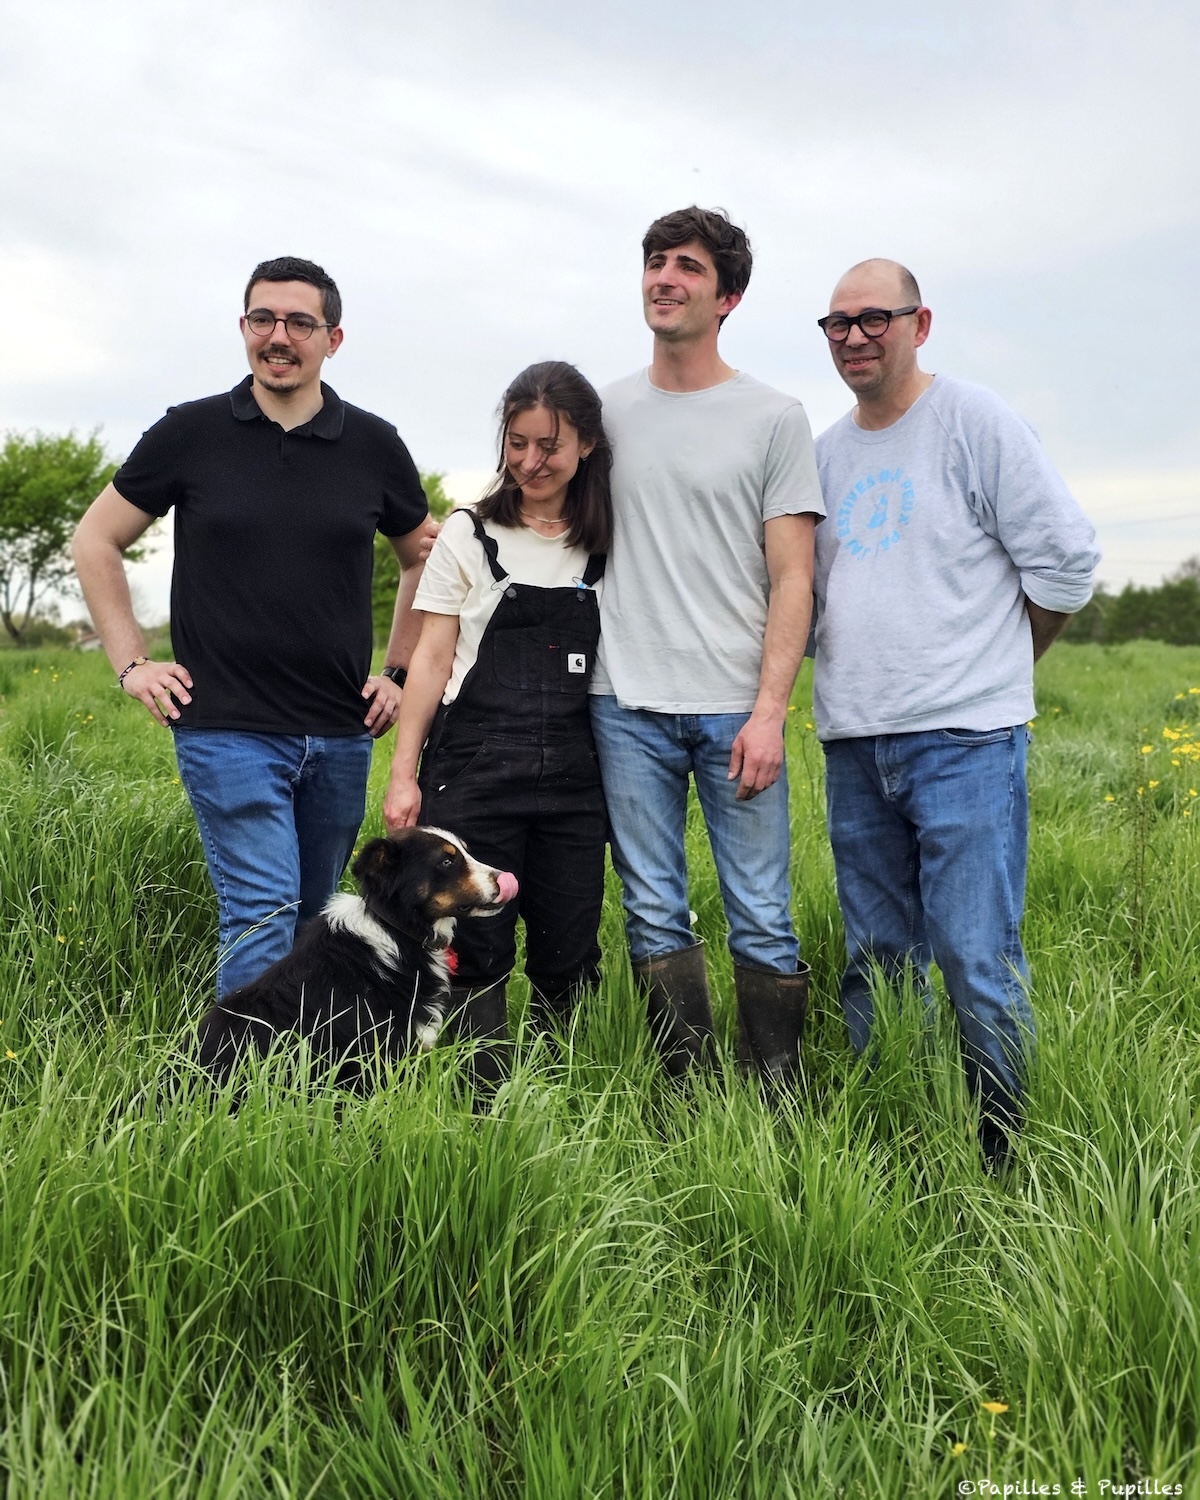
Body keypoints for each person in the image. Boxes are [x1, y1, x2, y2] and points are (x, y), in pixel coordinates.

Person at [72, 255, 432, 999]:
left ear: (332, 338)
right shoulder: (190, 433)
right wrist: (133, 663)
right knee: (262, 909)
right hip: (227, 726)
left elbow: (423, 558)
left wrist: (396, 673)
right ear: (243, 328)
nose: (280, 336)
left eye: (301, 322)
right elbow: (95, 540)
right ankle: (235, 1093)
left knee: (308, 922)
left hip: (338, 730)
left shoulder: (373, 445)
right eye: (263, 318)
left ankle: (292, 1089)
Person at [811, 257, 1100, 1169]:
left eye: (874, 319)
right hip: (856, 742)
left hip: (966, 743)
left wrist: (999, 666)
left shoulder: (974, 422)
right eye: (837, 325)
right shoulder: (824, 453)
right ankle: (896, 1137)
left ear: (919, 323)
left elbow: (1066, 561)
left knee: (977, 958)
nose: (854, 337)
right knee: (877, 957)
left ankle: (1002, 1157)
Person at [588, 207, 825, 1083]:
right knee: (653, 910)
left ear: (727, 296)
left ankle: (777, 1097)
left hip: (736, 707)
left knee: (761, 911)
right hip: (623, 700)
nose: (664, 277)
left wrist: (771, 711)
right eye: (654, 262)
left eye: (687, 266)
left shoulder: (773, 417)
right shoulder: (601, 410)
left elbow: (793, 577)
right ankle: (682, 1099)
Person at [382, 361, 612, 1082]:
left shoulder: (607, 539)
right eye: (517, 443)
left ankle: (565, 1094)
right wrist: (402, 774)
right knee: (476, 947)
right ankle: (481, 1105)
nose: (531, 462)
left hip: (577, 780)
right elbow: (430, 659)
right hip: (474, 771)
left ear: (587, 448)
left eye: (550, 446)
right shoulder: (468, 532)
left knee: (568, 947)